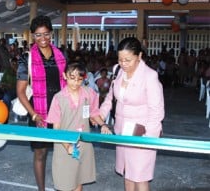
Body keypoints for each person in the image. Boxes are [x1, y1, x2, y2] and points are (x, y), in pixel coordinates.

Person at [99, 37, 164, 191]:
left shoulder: (149, 76)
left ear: (139, 56)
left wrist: (148, 140)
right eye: (120, 59)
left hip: (142, 134)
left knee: (140, 178)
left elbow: (157, 111)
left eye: (128, 60)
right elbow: (111, 97)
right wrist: (100, 114)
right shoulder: (118, 71)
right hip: (122, 132)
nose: (123, 64)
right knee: (128, 174)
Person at [16, 15, 67, 191]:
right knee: (41, 152)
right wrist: (34, 114)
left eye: (46, 34)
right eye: (38, 35)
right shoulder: (26, 58)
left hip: (60, 109)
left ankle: (64, 185)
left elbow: (68, 83)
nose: (42, 39)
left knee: (63, 151)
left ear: (51, 33)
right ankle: (41, 189)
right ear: (32, 36)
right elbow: (21, 92)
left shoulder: (60, 55)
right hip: (37, 110)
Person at [46, 62, 111, 191]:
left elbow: (94, 112)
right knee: (64, 182)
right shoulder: (58, 98)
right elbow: (56, 128)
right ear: (65, 76)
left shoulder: (89, 93)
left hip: (83, 144)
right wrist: (67, 146)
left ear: (84, 78)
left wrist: (103, 124)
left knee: (78, 180)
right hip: (64, 146)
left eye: (79, 79)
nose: (75, 83)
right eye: (72, 78)